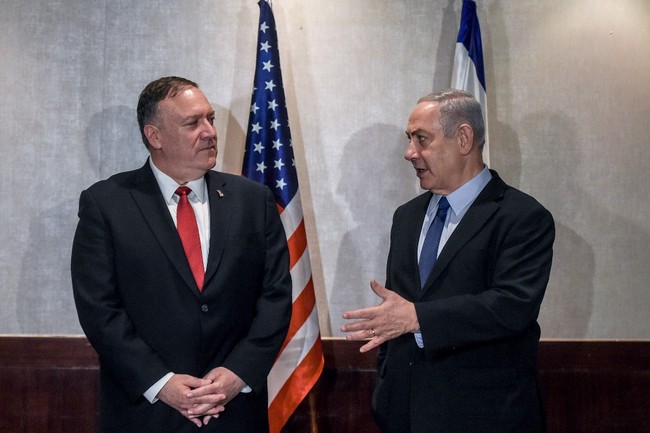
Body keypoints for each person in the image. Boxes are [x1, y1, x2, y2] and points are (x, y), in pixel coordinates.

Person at [71, 76, 292, 433]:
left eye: (210, 119)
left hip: (234, 410)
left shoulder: (253, 201)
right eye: (193, 123)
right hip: (147, 412)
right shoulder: (106, 204)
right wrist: (161, 383)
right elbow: (99, 308)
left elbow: (276, 297)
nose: (209, 132)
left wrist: (238, 373)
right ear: (154, 136)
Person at [341, 89, 554, 433]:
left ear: (464, 138)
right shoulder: (406, 217)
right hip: (403, 415)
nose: (409, 153)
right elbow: (397, 309)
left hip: (486, 417)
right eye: (409, 139)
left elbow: (513, 306)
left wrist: (417, 318)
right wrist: (385, 390)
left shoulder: (522, 216)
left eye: (421, 139)